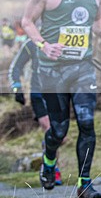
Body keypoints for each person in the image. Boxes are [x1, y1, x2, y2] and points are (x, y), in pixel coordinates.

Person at [21, 0, 101, 198]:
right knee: (59, 131)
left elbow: (96, 20)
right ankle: (49, 159)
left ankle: (85, 184)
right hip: (52, 72)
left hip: (83, 68)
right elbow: (26, 22)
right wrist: (44, 45)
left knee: (87, 123)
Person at [7, 37, 62, 185]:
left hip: (58, 91)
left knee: (58, 133)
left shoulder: (62, 38)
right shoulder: (31, 43)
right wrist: (17, 87)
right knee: (49, 128)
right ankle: (52, 169)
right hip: (38, 92)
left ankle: (49, 164)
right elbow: (16, 66)